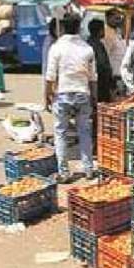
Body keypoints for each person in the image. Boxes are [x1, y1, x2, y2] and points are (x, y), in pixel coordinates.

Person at [45, 13, 97, 183]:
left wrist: (47, 95)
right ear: (78, 27)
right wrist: (94, 98)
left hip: (63, 95)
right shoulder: (87, 49)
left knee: (60, 133)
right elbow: (92, 78)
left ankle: (64, 172)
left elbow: (50, 76)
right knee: (84, 133)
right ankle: (88, 169)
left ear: (63, 27)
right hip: (83, 94)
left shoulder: (56, 47)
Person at [86, 19, 115, 104]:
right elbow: (103, 65)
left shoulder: (88, 44)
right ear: (99, 31)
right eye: (103, 29)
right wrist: (111, 82)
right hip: (101, 85)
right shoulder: (97, 45)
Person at [104, 10, 128, 93]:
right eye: (116, 18)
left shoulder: (118, 32)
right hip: (114, 76)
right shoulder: (106, 33)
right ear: (108, 18)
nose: (119, 20)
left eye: (119, 18)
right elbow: (106, 55)